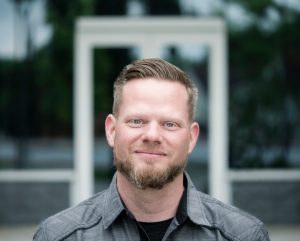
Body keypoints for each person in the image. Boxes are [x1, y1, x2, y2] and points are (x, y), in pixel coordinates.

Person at [33, 58, 270, 241]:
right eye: (137, 121)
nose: (152, 136)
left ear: (191, 137)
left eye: (169, 124)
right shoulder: (58, 237)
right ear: (112, 131)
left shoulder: (244, 236)